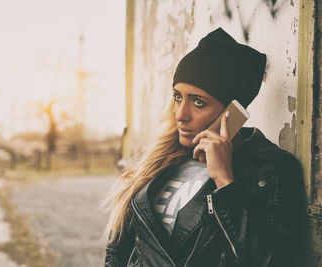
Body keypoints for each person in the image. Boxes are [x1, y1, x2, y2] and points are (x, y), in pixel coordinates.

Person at [102, 27, 307, 267]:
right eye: (178, 97)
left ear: (233, 112)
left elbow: (271, 261)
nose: (181, 115)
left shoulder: (271, 170)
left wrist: (225, 181)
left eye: (198, 103)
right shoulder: (161, 160)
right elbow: (118, 250)